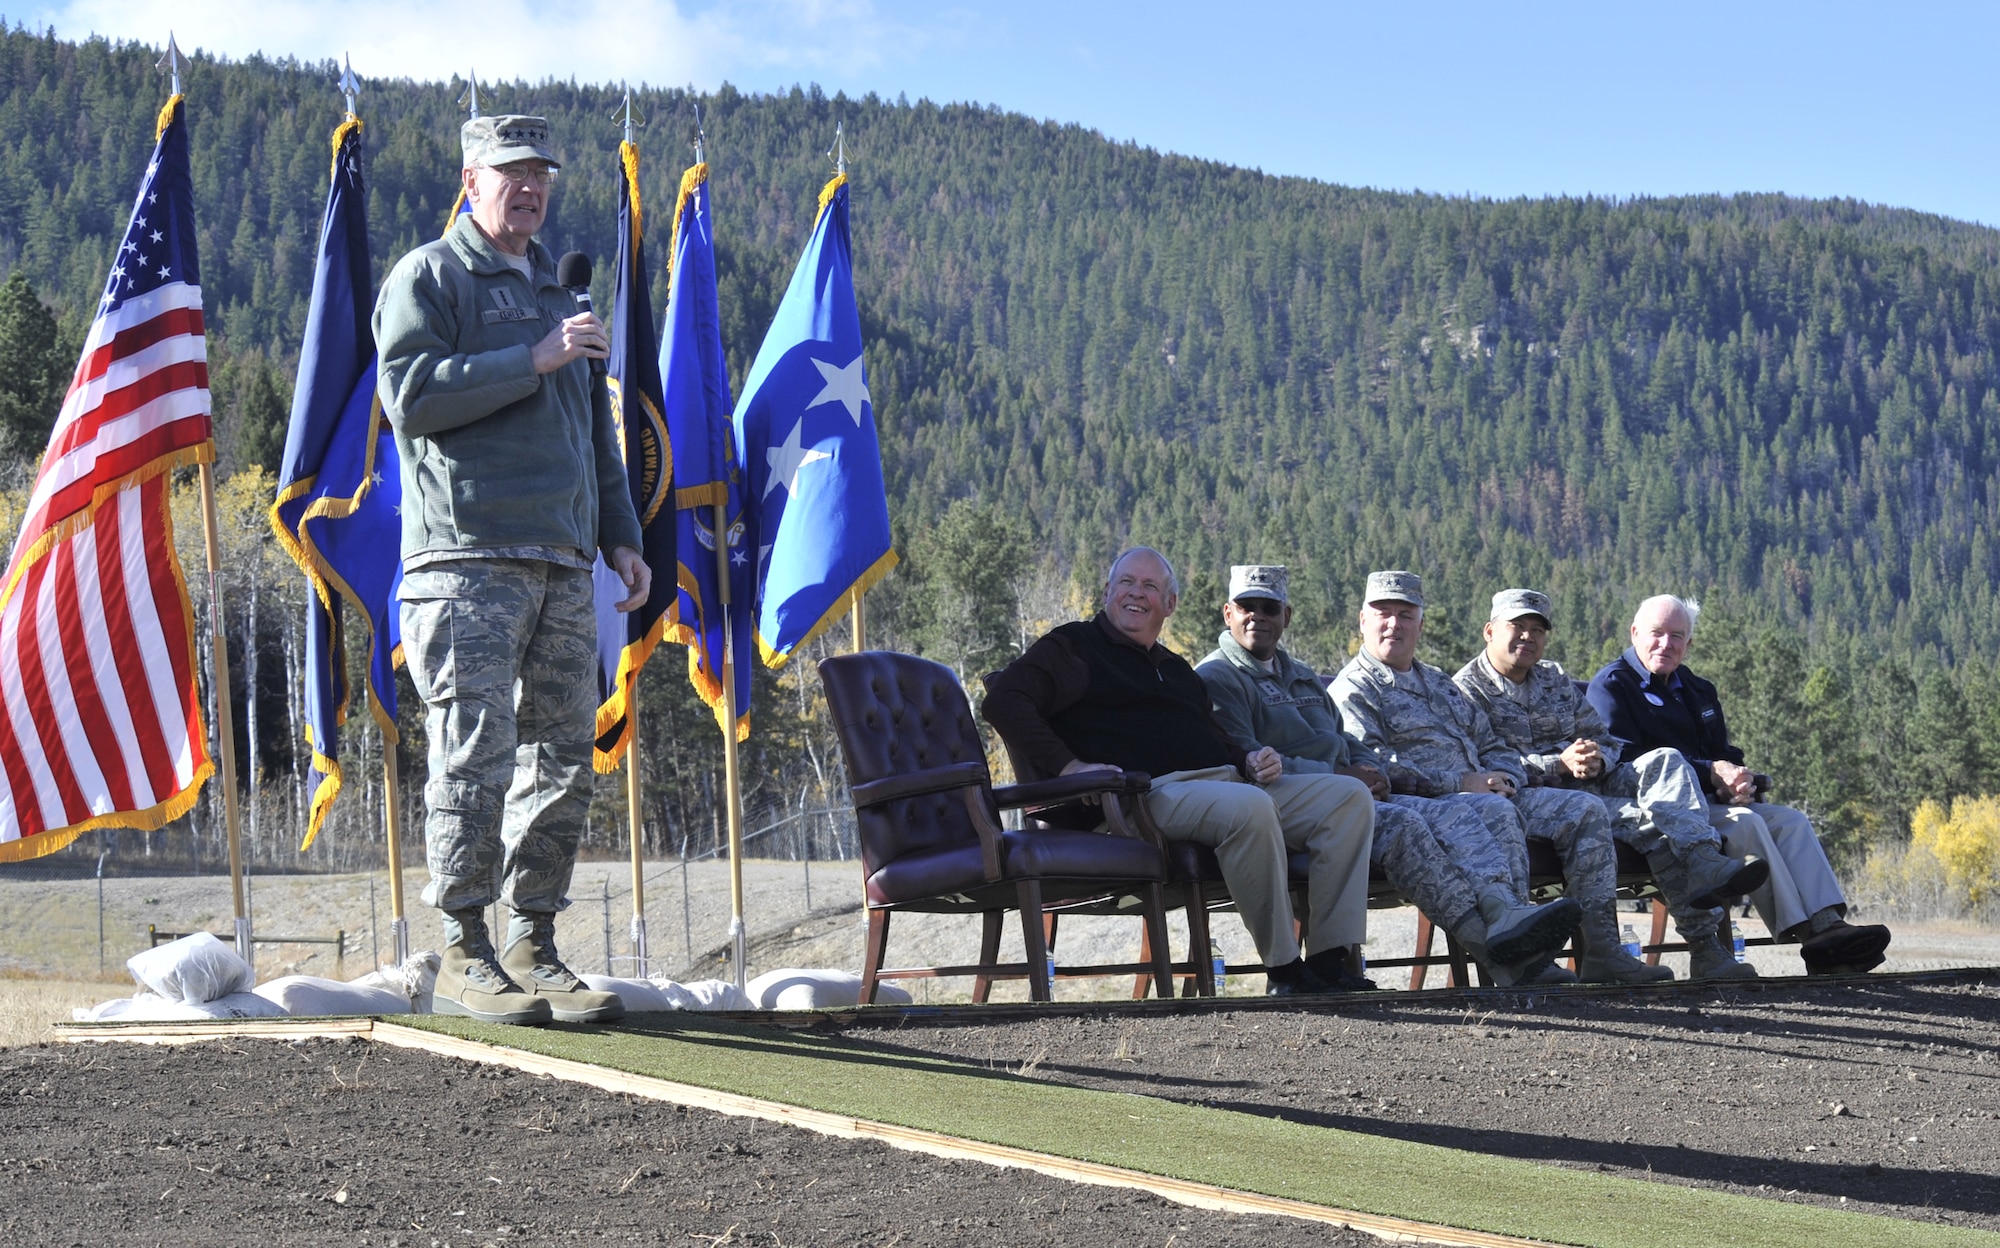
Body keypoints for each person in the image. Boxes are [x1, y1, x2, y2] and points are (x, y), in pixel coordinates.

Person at [376, 115, 652, 1025]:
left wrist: (621, 537)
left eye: (541, 175)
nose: (529, 188)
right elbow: (409, 397)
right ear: (470, 181)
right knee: (473, 760)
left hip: (565, 566)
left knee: (565, 758)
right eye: (511, 173)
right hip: (468, 564)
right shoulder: (431, 276)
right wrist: (531, 359)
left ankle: (534, 940)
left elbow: (593, 439)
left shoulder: (555, 293)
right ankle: (463, 948)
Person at [982, 548, 1375, 994]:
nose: (1136, 593)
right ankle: (1286, 971)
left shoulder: (1175, 668)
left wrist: (1249, 758)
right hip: (1139, 799)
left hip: (1226, 784)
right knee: (1249, 807)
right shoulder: (1073, 646)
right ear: (1107, 592)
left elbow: (1214, 737)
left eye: (1150, 586)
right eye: (1126, 583)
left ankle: (1328, 962)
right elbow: (1003, 701)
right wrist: (1070, 765)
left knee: (1347, 798)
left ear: (1169, 604)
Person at [1195, 566, 1580, 983]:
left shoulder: (1301, 675)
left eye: (1269, 607)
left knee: (1488, 810)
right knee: (1406, 825)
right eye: (1247, 607)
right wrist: (1344, 775)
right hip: (1287, 803)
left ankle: (1509, 920)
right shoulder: (1220, 677)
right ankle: (1504, 959)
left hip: (1353, 796)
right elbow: (1246, 758)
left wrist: (1370, 771)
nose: (1258, 616)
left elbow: (1345, 738)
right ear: (1228, 613)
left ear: (1285, 616)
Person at [1329, 571, 1671, 985]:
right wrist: (1460, 783)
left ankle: (1579, 949)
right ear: (1363, 620)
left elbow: (1489, 742)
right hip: (1422, 801)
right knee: (1491, 809)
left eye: (1405, 615)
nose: (1393, 624)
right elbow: (1375, 766)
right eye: (1383, 614)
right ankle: (1518, 945)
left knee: (1556, 806)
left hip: (1482, 794)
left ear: (1420, 624)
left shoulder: (1436, 682)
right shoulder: (1355, 689)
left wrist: (1504, 775)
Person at [1454, 589, 1767, 981]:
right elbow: (1480, 766)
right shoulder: (1465, 690)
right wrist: (1559, 762)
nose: (1527, 637)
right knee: (1616, 817)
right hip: (1522, 796)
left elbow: (1602, 735)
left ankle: (1705, 929)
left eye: (1537, 629)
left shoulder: (1552, 678)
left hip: (1587, 786)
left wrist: (1597, 755)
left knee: (1665, 768)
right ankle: (1602, 952)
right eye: (1517, 627)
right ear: (1490, 631)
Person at [1587, 596, 1892, 975]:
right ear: (1635, 633)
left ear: (1689, 644)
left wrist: (1739, 779)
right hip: (1660, 811)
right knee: (1747, 825)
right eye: (1657, 633)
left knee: (1791, 820)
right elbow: (1624, 761)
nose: (1666, 644)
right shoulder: (1613, 685)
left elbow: (1723, 752)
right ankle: (1808, 936)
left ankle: (1828, 921)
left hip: (1711, 800)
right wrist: (1711, 772)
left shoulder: (1698, 690)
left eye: (1677, 636)